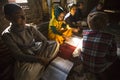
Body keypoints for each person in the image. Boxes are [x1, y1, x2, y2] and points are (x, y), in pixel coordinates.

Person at [1, 3, 59, 80]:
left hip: (36, 48)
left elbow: (44, 40)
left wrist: (40, 55)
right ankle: (43, 64)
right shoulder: (7, 35)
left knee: (55, 44)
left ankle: (39, 66)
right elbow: (18, 55)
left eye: (24, 15)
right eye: (19, 16)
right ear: (8, 18)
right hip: (25, 56)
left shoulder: (29, 27)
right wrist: (38, 59)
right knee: (24, 76)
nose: (24, 18)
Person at [81, 12, 117, 79]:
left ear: (89, 24)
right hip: (99, 68)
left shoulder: (85, 33)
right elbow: (112, 56)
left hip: (84, 64)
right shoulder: (110, 37)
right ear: (105, 24)